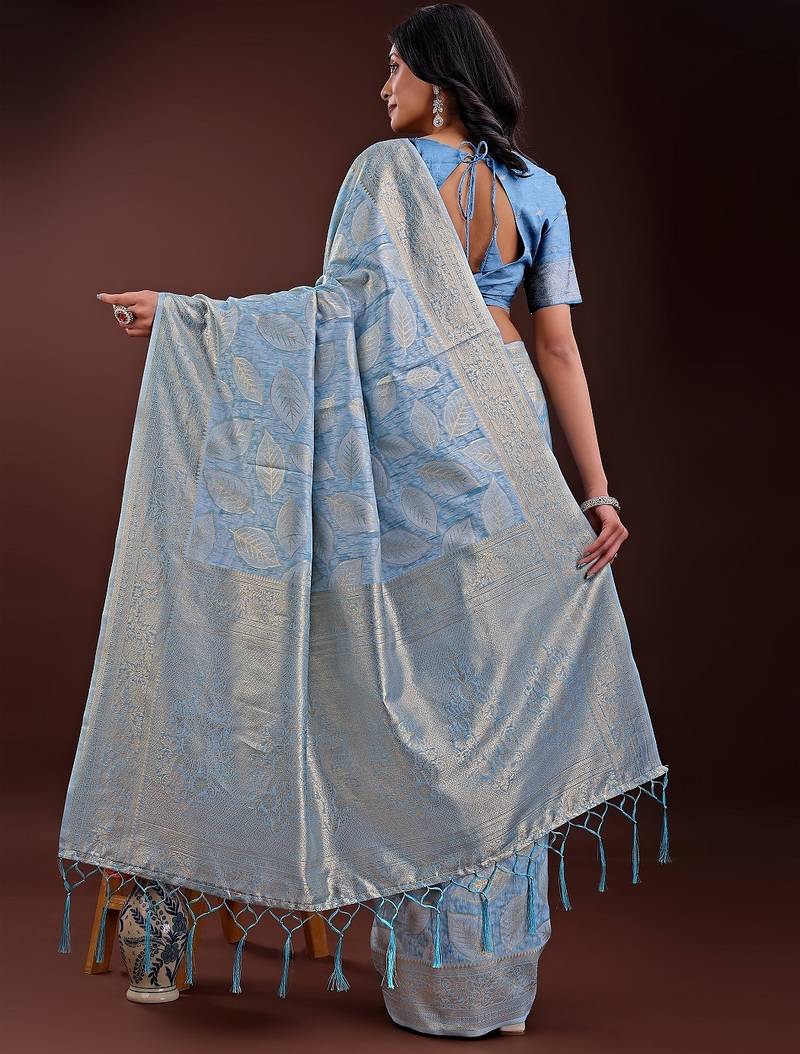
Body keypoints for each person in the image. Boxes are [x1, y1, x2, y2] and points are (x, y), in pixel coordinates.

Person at [74, 2, 669, 1040]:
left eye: (394, 70)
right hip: (510, 447)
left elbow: (337, 313)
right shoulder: (537, 189)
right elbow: (557, 349)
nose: (382, 88)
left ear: (436, 82)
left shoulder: (386, 175)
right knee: (491, 695)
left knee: (407, 690)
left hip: (412, 455)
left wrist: (189, 317)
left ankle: (401, 958)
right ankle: (484, 988)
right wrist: (598, 491)